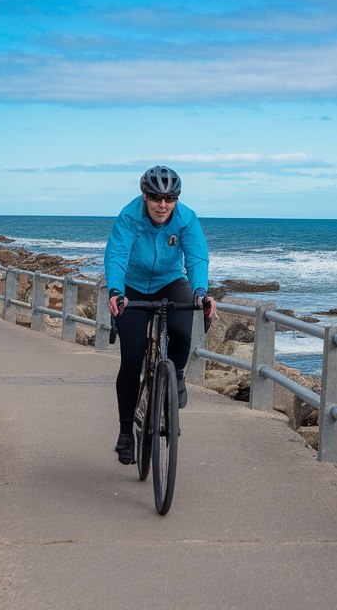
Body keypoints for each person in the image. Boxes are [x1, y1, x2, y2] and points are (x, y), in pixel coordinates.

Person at [104, 165, 216, 464]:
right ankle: (126, 432)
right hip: (133, 285)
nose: (162, 205)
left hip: (170, 281)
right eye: (155, 198)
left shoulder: (186, 219)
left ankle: (176, 375)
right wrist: (115, 291)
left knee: (181, 330)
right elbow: (116, 254)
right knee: (131, 358)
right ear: (145, 196)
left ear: (177, 199)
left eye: (170, 198)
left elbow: (196, 257)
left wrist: (201, 292)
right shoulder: (129, 215)